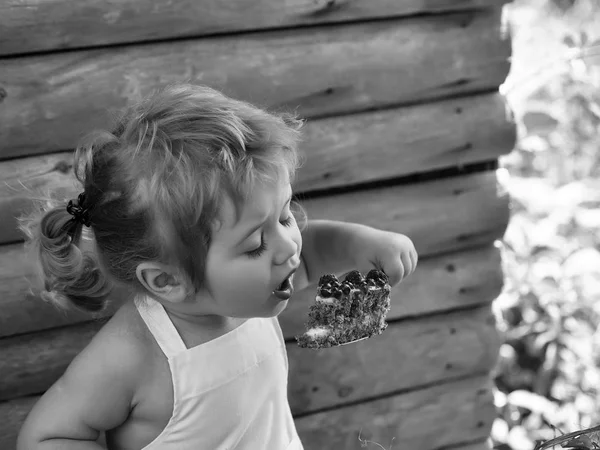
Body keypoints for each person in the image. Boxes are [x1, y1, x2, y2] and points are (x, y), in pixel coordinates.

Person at [16, 83, 418, 450]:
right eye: (256, 243)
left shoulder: (253, 286)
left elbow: (309, 253)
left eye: (284, 216)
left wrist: (363, 243)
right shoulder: (134, 354)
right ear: (168, 279)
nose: (288, 247)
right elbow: (48, 437)